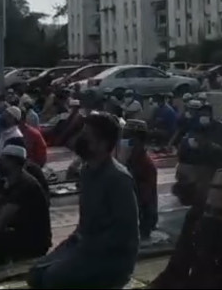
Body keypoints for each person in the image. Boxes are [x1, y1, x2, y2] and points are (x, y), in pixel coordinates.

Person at [27, 112, 139, 289]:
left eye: (87, 136)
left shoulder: (118, 178)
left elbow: (125, 235)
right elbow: (86, 224)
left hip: (112, 258)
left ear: (102, 144)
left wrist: (84, 249)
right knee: (35, 274)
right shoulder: (86, 171)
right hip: (85, 246)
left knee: (52, 279)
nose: (80, 139)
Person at [149, 145, 222, 289]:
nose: (178, 187)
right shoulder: (195, 216)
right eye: (178, 178)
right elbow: (176, 269)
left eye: (184, 179)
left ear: (212, 178)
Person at [122, 119, 158, 240]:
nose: (124, 140)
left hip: (142, 217)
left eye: (127, 137)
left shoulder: (146, 165)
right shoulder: (129, 159)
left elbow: (144, 199)